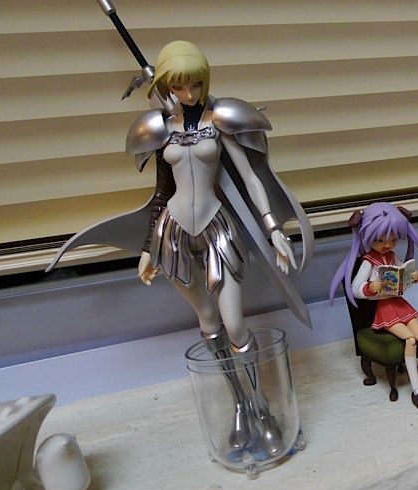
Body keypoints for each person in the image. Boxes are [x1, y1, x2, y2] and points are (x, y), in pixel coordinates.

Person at [48, 40, 314, 353]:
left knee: (235, 325)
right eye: (179, 86)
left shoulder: (218, 122)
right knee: (207, 319)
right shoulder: (160, 131)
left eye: (196, 84)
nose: (189, 94)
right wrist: (148, 248)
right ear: (166, 87)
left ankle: (255, 382)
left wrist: (273, 227)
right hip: (172, 232)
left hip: (217, 227)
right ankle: (231, 385)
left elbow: (250, 177)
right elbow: (162, 193)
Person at [329, 203, 418, 412]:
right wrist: (369, 288)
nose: (387, 244)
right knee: (410, 340)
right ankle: (417, 390)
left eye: (393, 240)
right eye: (380, 240)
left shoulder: (392, 257)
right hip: (385, 309)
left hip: (401, 305)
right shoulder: (368, 261)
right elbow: (355, 288)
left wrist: (413, 276)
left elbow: (403, 272)